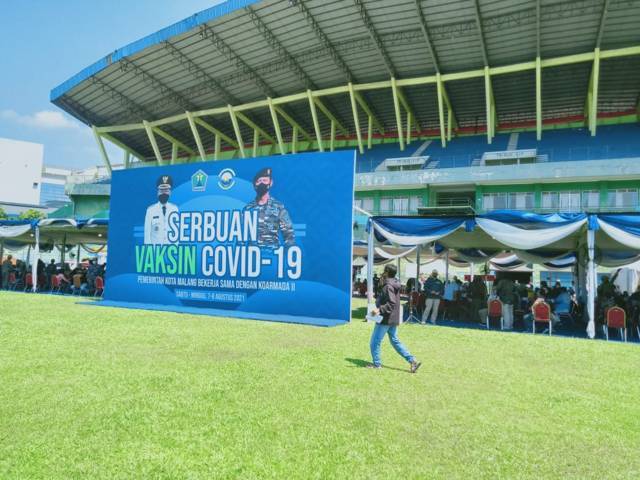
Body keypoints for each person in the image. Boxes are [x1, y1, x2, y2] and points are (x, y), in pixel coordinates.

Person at [368, 264, 421, 373]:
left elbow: (391, 302)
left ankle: (377, 364)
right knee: (395, 341)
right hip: (393, 318)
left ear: (387, 272)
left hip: (386, 318)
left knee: (375, 342)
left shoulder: (388, 286)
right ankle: (412, 360)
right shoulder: (394, 283)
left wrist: (379, 310)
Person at [244, 167, 294, 248]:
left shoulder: (278, 207)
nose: (261, 184)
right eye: (259, 181)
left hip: (272, 255)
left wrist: (288, 254)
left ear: (270, 183)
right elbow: (241, 236)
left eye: (264, 180)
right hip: (252, 257)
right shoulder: (248, 208)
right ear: (254, 184)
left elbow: (289, 234)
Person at [144, 175, 179, 245]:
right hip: (156, 252)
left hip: (170, 251)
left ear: (170, 192)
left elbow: (177, 234)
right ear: (158, 192)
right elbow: (147, 236)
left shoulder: (175, 209)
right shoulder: (150, 210)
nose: (164, 193)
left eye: (166, 190)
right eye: (161, 190)